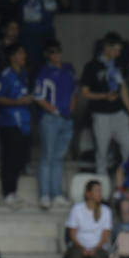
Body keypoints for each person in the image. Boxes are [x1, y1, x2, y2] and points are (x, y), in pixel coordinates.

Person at [81, 33, 129, 176]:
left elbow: (123, 90)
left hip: (118, 113)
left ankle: (128, 180)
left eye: (120, 50)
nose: (118, 53)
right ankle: (102, 184)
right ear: (106, 47)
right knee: (102, 151)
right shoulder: (92, 66)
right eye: (116, 49)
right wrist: (104, 96)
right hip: (101, 114)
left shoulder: (119, 65)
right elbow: (85, 93)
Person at [33, 40, 76, 209]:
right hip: (50, 119)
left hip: (66, 119)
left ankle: (57, 193)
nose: (56, 55)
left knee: (58, 158)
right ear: (47, 56)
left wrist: (70, 111)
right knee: (47, 156)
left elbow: (74, 92)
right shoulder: (44, 72)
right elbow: (38, 96)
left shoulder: (68, 69)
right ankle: (45, 194)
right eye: (52, 52)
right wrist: (55, 110)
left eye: (57, 51)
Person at [0, 43, 33, 209]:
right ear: (13, 57)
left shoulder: (24, 74)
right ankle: (7, 193)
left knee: (20, 158)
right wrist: (17, 101)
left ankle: (13, 192)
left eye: (24, 54)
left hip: (23, 122)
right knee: (9, 158)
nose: (24, 57)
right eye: (21, 54)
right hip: (8, 122)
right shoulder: (5, 75)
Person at [10, 0, 65, 67]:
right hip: (29, 31)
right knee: (30, 63)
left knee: (50, 62)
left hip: (47, 29)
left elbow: (65, 3)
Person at [64, 180, 112, 258]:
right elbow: (72, 234)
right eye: (97, 191)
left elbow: (105, 236)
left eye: (100, 191)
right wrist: (83, 248)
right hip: (79, 246)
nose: (100, 194)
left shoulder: (106, 211)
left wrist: (94, 249)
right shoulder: (77, 209)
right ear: (88, 193)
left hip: (98, 248)